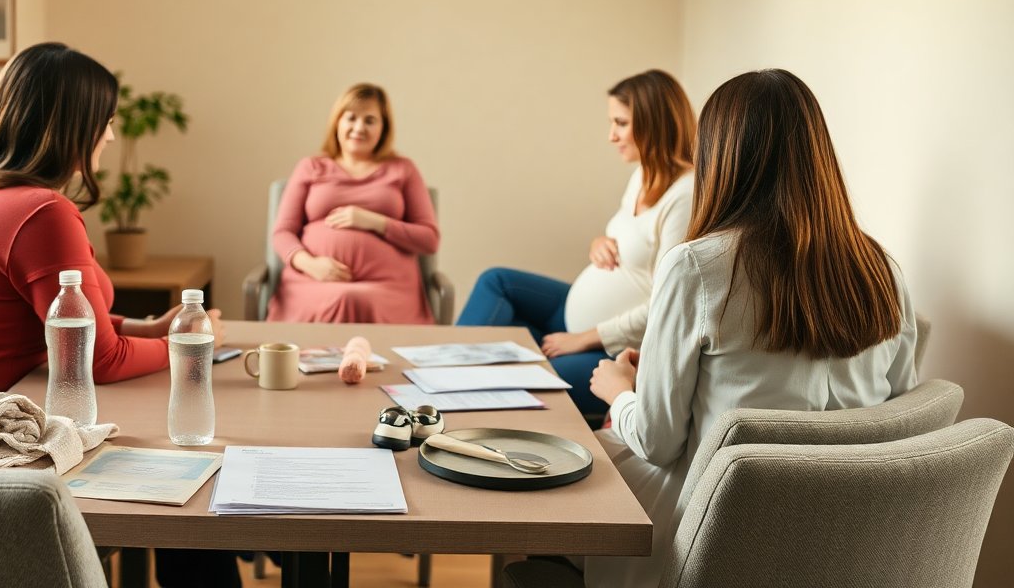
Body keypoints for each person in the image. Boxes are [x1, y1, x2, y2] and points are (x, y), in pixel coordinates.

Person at [0, 42, 239, 588]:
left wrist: (147, 329)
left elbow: (54, 323)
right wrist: (188, 346)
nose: (110, 136)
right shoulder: (40, 211)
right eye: (106, 122)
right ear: (74, 127)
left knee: (184, 483)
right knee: (196, 493)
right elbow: (102, 360)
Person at [583, 69, 919, 588]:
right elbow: (898, 412)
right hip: (846, 539)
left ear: (720, 156)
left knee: (576, 477)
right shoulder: (882, 270)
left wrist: (621, 393)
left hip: (719, 528)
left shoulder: (698, 267)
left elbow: (658, 440)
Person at [456, 69, 696, 418]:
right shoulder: (642, 174)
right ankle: (443, 378)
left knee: (527, 385)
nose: (611, 135)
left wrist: (583, 339)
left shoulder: (685, 196)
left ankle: (456, 396)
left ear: (654, 124)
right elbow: (629, 238)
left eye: (621, 123)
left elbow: (668, 306)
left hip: (615, 350)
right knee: (496, 282)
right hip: (570, 319)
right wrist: (600, 242)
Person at [267, 83, 440, 323]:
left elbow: (429, 240)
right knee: (344, 297)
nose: (359, 127)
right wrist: (311, 264)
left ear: (383, 127)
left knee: (353, 298)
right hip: (313, 281)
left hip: (389, 289)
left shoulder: (403, 169)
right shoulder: (311, 167)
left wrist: (374, 221)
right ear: (337, 122)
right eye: (351, 118)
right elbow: (282, 232)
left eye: (370, 120)